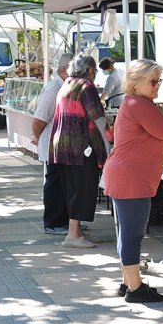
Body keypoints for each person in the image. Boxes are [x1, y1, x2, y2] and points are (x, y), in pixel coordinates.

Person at [103, 59, 163, 303]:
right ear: (136, 83)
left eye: (159, 81)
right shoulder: (140, 104)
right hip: (131, 177)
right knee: (133, 233)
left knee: (128, 232)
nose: (157, 86)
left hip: (126, 175)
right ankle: (135, 288)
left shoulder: (134, 103)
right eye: (152, 81)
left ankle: (128, 282)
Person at [48, 55, 109, 248]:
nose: (95, 74)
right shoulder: (86, 86)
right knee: (83, 188)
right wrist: (109, 139)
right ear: (90, 70)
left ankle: (77, 232)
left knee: (72, 188)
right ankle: (73, 236)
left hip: (62, 144)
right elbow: (97, 117)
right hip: (82, 147)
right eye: (95, 71)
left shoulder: (67, 83)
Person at [31, 53, 77, 235]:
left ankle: (64, 221)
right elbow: (39, 120)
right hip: (53, 146)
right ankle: (52, 223)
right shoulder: (53, 89)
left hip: (61, 145)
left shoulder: (64, 86)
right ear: (64, 69)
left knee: (63, 185)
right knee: (55, 184)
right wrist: (38, 137)